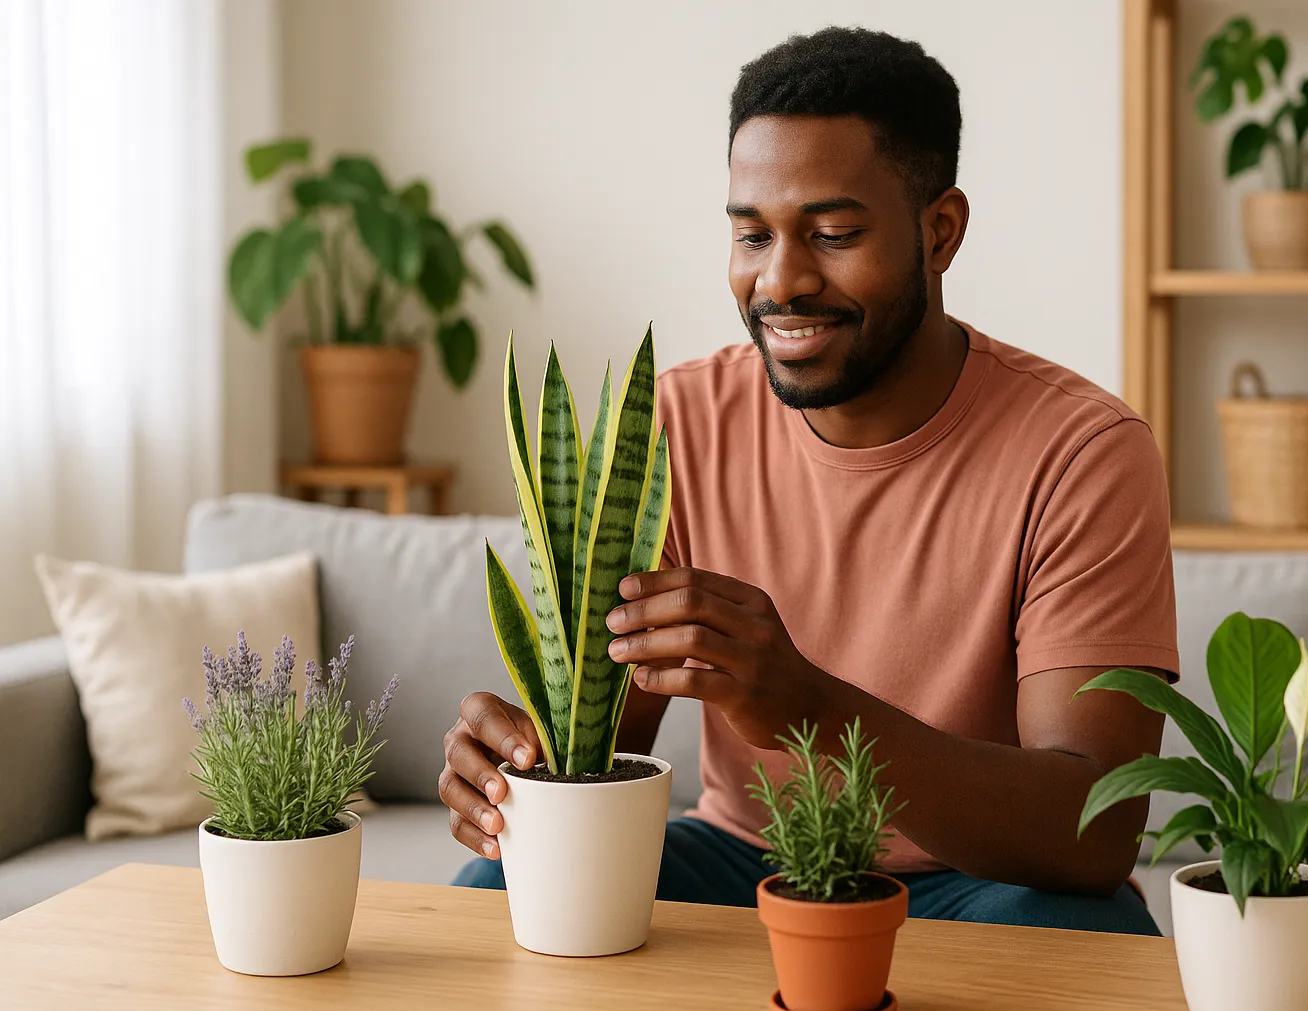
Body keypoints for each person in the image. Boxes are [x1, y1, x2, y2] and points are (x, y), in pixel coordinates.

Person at [440, 26, 1178, 935]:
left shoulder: (1083, 452)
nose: (779, 281)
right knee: (498, 893)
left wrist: (808, 705)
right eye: (752, 235)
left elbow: (1092, 833)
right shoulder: (677, 425)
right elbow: (602, 748)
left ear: (939, 232)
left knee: (1082, 933)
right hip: (738, 862)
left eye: (831, 234)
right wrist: (516, 765)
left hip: (974, 883)